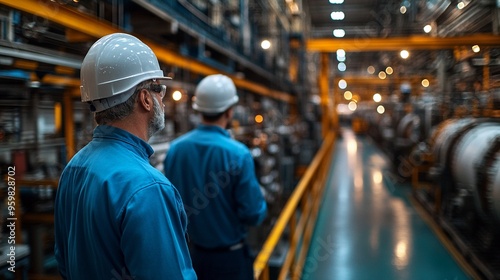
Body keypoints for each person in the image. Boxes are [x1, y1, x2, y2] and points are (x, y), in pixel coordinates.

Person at [54, 33, 197, 280]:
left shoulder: (74, 168)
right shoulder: (147, 188)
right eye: (159, 90)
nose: (163, 99)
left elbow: (65, 262)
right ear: (145, 99)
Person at [163, 74, 268, 280]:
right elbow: (253, 213)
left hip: (189, 258)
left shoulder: (175, 150)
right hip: (229, 262)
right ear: (230, 111)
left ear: (199, 109)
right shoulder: (238, 154)